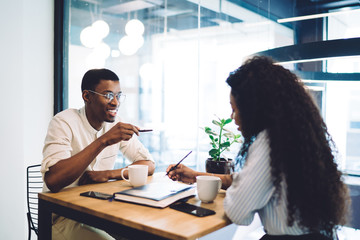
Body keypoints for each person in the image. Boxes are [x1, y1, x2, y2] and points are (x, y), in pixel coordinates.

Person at [167, 56, 350, 240]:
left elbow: (239, 213)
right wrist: (198, 176)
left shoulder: (269, 142)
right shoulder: (297, 137)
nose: (232, 117)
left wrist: (237, 187)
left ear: (254, 108)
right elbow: (252, 181)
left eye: (235, 109)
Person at [41, 68, 155, 240]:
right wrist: (104, 141)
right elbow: (53, 181)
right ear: (87, 96)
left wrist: (107, 174)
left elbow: (148, 164)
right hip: (64, 217)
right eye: (108, 95)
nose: (115, 103)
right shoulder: (63, 122)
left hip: (100, 211)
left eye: (118, 95)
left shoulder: (115, 124)